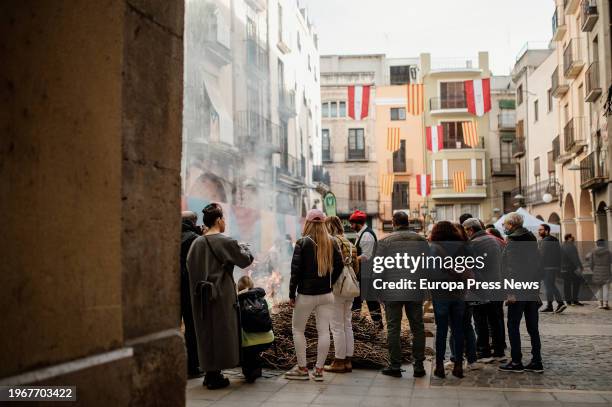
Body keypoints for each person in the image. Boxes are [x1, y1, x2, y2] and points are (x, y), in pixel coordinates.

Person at [186, 203, 255, 389]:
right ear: (218, 220)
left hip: (200, 296)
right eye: (223, 218)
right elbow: (245, 260)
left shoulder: (196, 243)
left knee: (206, 333)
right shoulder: (226, 241)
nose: (224, 222)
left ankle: (210, 372)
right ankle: (216, 374)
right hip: (221, 296)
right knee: (222, 333)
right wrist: (245, 248)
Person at [285, 209, 343, 381]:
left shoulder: (302, 242)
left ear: (308, 223)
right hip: (326, 294)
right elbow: (340, 265)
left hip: (306, 294)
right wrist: (330, 282)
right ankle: (319, 371)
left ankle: (302, 369)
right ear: (324, 223)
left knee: (297, 330)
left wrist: (291, 294)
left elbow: (295, 272)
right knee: (324, 331)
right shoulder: (332, 241)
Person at [377, 211, 428, 378]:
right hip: (415, 288)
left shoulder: (385, 241)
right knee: (418, 327)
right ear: (408, 222)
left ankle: (395, 366)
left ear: (394, 223)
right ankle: (419, 366)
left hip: (392, 289)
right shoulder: (420, 240)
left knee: (393, 328)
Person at [499, 212, 543, 373]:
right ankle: (537, 361)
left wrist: (510, 292)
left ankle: (516, 361)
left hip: (518, 291)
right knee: (533, 328)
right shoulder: (532, 240)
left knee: (513, 325)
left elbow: (511, 269)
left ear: (511, 225)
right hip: (531, 290)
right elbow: (538, 267)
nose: (503, 227)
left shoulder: (513, 242)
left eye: (505, 224)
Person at [430, 221, 471, 379]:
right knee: (458, 330)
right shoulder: (463, 245)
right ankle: (459, 366)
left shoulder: (434, 247)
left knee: (441, 330)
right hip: (459, 293)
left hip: (441, 293)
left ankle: (439, 366)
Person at [463, 218, 507, 363]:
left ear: (470, 230)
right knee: (495, 320)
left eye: (465, 231)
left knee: (480, 319)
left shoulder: (474, 243)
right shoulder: (493, 239)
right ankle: (499, 350)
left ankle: (483, 350)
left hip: (481, 288)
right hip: (496, 285)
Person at [324, 216, 359, 373]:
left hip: (336, 288)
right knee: (347, 324)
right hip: (349, 287)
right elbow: (356, 268)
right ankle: (348, 360)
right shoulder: (350, 244)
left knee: (336, 326)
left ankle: (339, 361)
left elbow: (328, 266)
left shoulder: (331, 242)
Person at [349, 210, 383, 329]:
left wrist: (351, 260)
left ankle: (377, 327)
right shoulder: (362, 234)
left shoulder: (367, 235)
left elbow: (366, 256)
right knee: (363, 301)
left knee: (368, 302)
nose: (351, 226)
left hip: (366, 274)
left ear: (359, 223)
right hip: (364, 274)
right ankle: (357, 326)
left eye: (352, 224)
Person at [237, 276, 274, 383]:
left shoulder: (238, 302)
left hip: (248, 343)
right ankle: (256, 370)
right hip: (268, 340)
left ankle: (250, 372)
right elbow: (270, 315)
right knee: (254, 347)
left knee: (247, 345)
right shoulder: (262, 298)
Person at [181, 211, 202, 379]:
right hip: (188, 287)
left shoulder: (170, 236)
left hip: (172, 288)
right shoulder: (195, 239)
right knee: (191, 328)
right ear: (194, 222)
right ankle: (192, 367)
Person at [538, 224, 566, 313]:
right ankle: (550, 305)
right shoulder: (555, 240)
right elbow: (560, 254)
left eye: (541, 230)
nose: (539, 231)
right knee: (551, 285)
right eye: (539, 230)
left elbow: (542, 256)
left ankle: (560, 303)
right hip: (554, 267)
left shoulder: (545, 241)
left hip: (547, 267)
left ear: (546, 231)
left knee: (549, 286)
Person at [586, 239, 612, 310]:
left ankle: (600, 304)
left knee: (599, 288)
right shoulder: (608, 252)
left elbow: (591, 263)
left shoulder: (593, 252)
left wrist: (593, 270)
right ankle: (606, 304)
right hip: (606, 270)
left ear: (597, 244)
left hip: (596, 270)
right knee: (606, 288)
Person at [561, 234, 583, 306]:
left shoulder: (562, 246)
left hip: (564, 268)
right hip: (572, 268)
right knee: (576, 283)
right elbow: (575, 258)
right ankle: (575, 300)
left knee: (566, 284)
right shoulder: (571, 246)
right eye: (571, 237)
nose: (573, 238)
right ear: (568, 238)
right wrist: (579, 266)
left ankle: (568, 301)